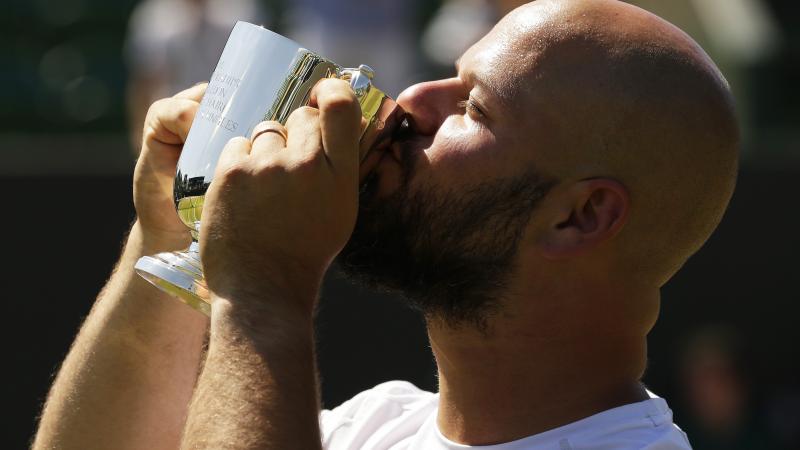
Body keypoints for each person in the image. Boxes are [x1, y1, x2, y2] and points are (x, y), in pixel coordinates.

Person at [33, 0, 738, 448]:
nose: (411, 101)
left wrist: (262, 295)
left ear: (580, 216)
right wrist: (170, 234)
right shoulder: (377, 424)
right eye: (446, 77)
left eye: (474, 108)